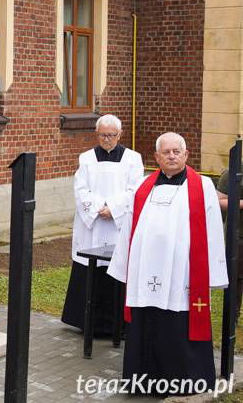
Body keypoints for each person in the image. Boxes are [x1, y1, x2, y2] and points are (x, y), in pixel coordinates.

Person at [108, 132, 227, 396]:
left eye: (177, 151)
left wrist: (213, 271)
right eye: (166, 152)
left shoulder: (203, 186)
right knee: (146, 322)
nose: (172, 156)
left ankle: (184, 381)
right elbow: (129, 225)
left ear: (186, 155)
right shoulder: (142, 186)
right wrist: (123, 263)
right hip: (145, 271)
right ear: (156, 157)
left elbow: (213, 231)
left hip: (182, 275)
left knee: (178, 323)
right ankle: (144, 382)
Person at [61, 114, 143, 335]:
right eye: (103, 135)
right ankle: (88, 322)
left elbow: (135, 190)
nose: (107, 139)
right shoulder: (86, 158)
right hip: (93, 223)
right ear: (96, 135)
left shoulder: (133, 159)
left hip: (118, 224)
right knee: (90, 270)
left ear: (120, 135)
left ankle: (118, 325)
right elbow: (80, 189)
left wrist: (113, 209)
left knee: (114, 270)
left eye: (112, 135)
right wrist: (99, 209)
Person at [216, 167, 243, 314]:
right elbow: (219, 201)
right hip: (238, 236)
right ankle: (234, 315)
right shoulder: (232, 173)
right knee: (236, 278)